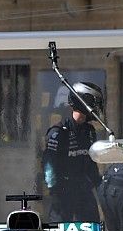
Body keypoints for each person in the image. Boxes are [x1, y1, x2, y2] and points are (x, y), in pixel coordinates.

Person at [43, 81, 102, 222]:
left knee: (93, 229)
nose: (97, 106)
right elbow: (49, 163)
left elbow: (91, 161)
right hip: (63, 191)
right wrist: (54, 190)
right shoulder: (58, 132)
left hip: (84, 189)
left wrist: (98, 183)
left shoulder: (89, 131)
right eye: (94, 102)